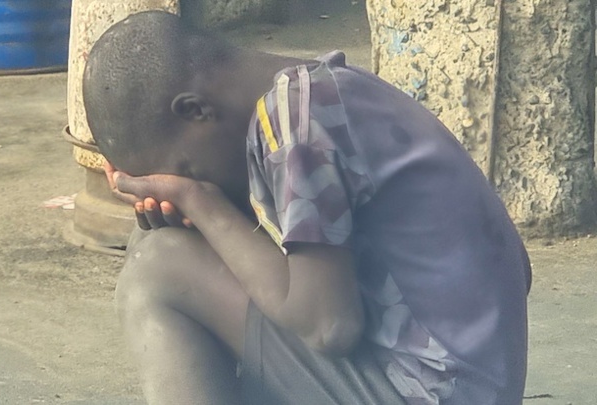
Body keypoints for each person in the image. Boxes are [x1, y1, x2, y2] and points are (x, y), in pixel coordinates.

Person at [82, 10, 532, 405]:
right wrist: (195, 213)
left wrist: (203, 202)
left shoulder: (296, 125)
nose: (194, 183)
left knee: (157, 264)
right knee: (178, 239)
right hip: (463, 380)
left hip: (429, 392)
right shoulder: (314, 93)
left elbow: (328, 326)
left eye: (186, 169)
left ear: (196, 111)